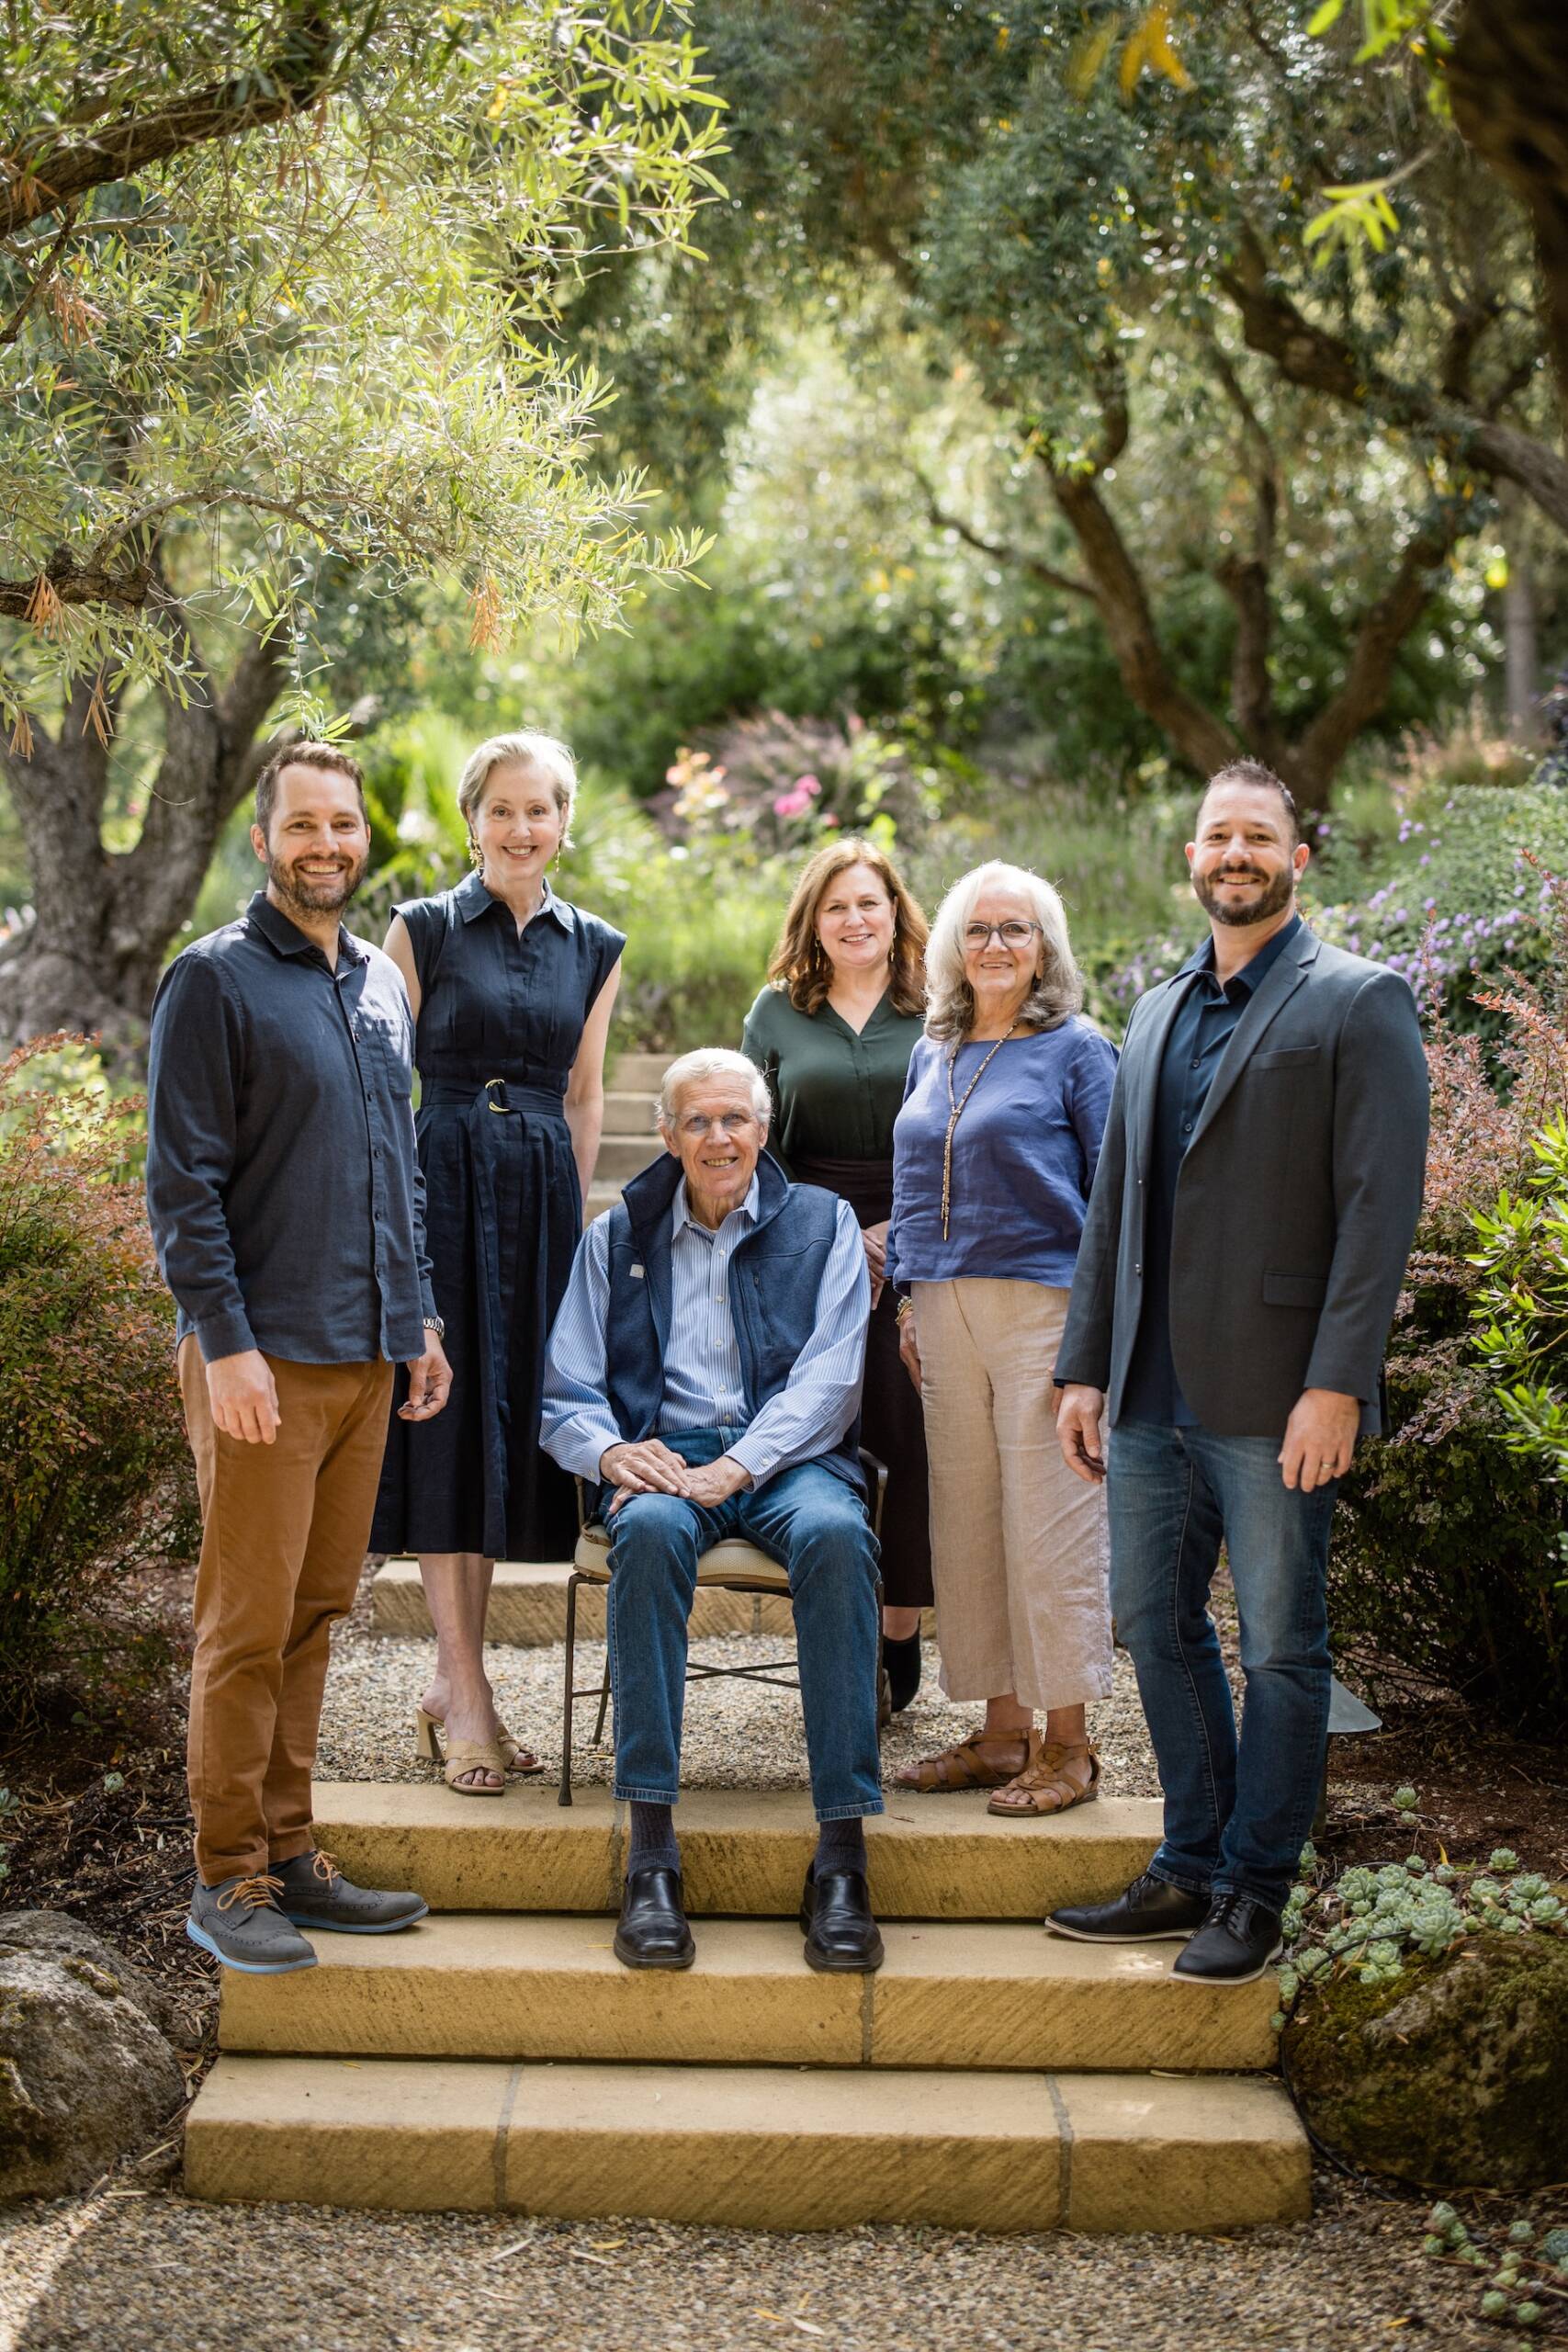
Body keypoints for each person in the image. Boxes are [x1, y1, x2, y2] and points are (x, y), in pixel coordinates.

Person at [1050, 759, 1429, 1984]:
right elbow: (1114, 1203)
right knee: (1150, 1627)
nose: (1233, 854)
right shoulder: (1154, 1009)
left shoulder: (1357, 1001)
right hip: (1148, 1393)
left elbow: (1378, 1212)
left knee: (1276, 1644)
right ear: (1188, 856)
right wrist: (1082, 1367)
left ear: (1296, 857)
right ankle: (1187, 1862)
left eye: (1255, 837)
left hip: (1278, 1392)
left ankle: (1255, 1890)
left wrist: (1336, 1382)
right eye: (1215, 835)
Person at [146, 742, 447, 1974]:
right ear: (263, 840)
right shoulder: (211, 983)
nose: (326, 844)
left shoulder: (379, 981)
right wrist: (225, 1348)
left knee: (317, 1615)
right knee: (245, 1621)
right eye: (302, 825)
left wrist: (415, 1317)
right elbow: (182, 1184)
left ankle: (291, 1851)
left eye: (343, 824)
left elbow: (398, 1172)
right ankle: (228, 1877)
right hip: (260, 1362)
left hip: (363, 1356)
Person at [541, 1047, 885, 1974]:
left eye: (735, 1118)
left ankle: (843, 1859)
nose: (719, 1137)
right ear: (667, 1135)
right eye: (697, 1121)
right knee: (646, 1532)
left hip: (785, 1456)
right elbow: (565, 1389)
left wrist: (740, 1464)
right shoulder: (617, 1236)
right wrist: (611, 1452)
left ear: (763, 1130)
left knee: (836, 1535)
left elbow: (831, 1381)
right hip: (666, 1453)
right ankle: (651, 1855)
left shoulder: (824, 1222)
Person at [371, 730, 624, 1793]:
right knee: (447, 1431)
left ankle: (453, 1686)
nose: (523, 828)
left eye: (542, 809)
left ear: (566, 822)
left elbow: (585, 1096)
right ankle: (465, 1688)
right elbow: (384, 1088)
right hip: (438, 1183)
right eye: (504, 809)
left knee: (506, 1438)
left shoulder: (598, 944)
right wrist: (402, 1231)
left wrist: (570, 1234)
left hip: (540, 1202)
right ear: (473, 820)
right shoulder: (420, 929)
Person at [886, 863, 1117, 1817]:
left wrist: (1093, 1356)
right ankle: (998, 1731)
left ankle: (1068, 1745)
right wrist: (906, 1298)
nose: (994, 946)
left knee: (1049, 1520)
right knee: (971, 1520)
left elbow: (1118, 1202)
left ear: (1046, 945)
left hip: (1044, 1307)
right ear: (951, 945)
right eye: (977, 929)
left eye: (1015, 930)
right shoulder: (931, 1048)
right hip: (942, 1310)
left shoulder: (1078, 1049)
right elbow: (908, 1182)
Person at [740, 839, 932, 1711]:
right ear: (812, 923)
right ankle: (839, 1620)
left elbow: (963, 1130)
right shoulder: (776, 1014)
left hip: (924, 1241)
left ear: (897, 915)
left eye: (869, 903)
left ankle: (901, 1627)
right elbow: (751, 1148)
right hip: (810, 1249)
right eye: (836, 907)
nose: (855, 920)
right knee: (823, 1433)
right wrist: (832, 1232)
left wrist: (908, 1228)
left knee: (908, 1434)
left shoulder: (939, 1006)